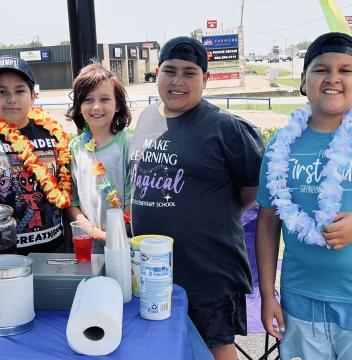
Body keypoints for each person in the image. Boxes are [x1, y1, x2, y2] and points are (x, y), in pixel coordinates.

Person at [129, 36, 264, 360]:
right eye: (170, 71)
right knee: (163, 345)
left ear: (205, 78)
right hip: (153, 270)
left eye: (189, 73)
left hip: (208, 272)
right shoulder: (146, 118)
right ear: (157, 72)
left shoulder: (227, 128)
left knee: (215, 347)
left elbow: (252, 192)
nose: (177, 81)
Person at [256, 32, 352, 360]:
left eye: (346, 70)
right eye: (322, 69)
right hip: (300, 299)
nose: (333, 79)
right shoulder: (281, 146)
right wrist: (268, 294)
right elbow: (268, 224)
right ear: (303, 80)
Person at [0, 56, 72, 255]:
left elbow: (68, 196)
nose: (12, 98)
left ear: (33, 95)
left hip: (54, 252)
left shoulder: (55, 136)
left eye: (20, 90)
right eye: (1, 91)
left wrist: (70, 247)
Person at [65, 63, 132, 253]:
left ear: (117, 105)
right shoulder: (74, 147)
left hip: (123, 244)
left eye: (104, 99)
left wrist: (114, 236)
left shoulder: (127, 144)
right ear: (79, 106)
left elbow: (132, 200)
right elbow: (73, 201)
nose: (96, 107)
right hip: (88, 246)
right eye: (88, 100)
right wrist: (94, 233)